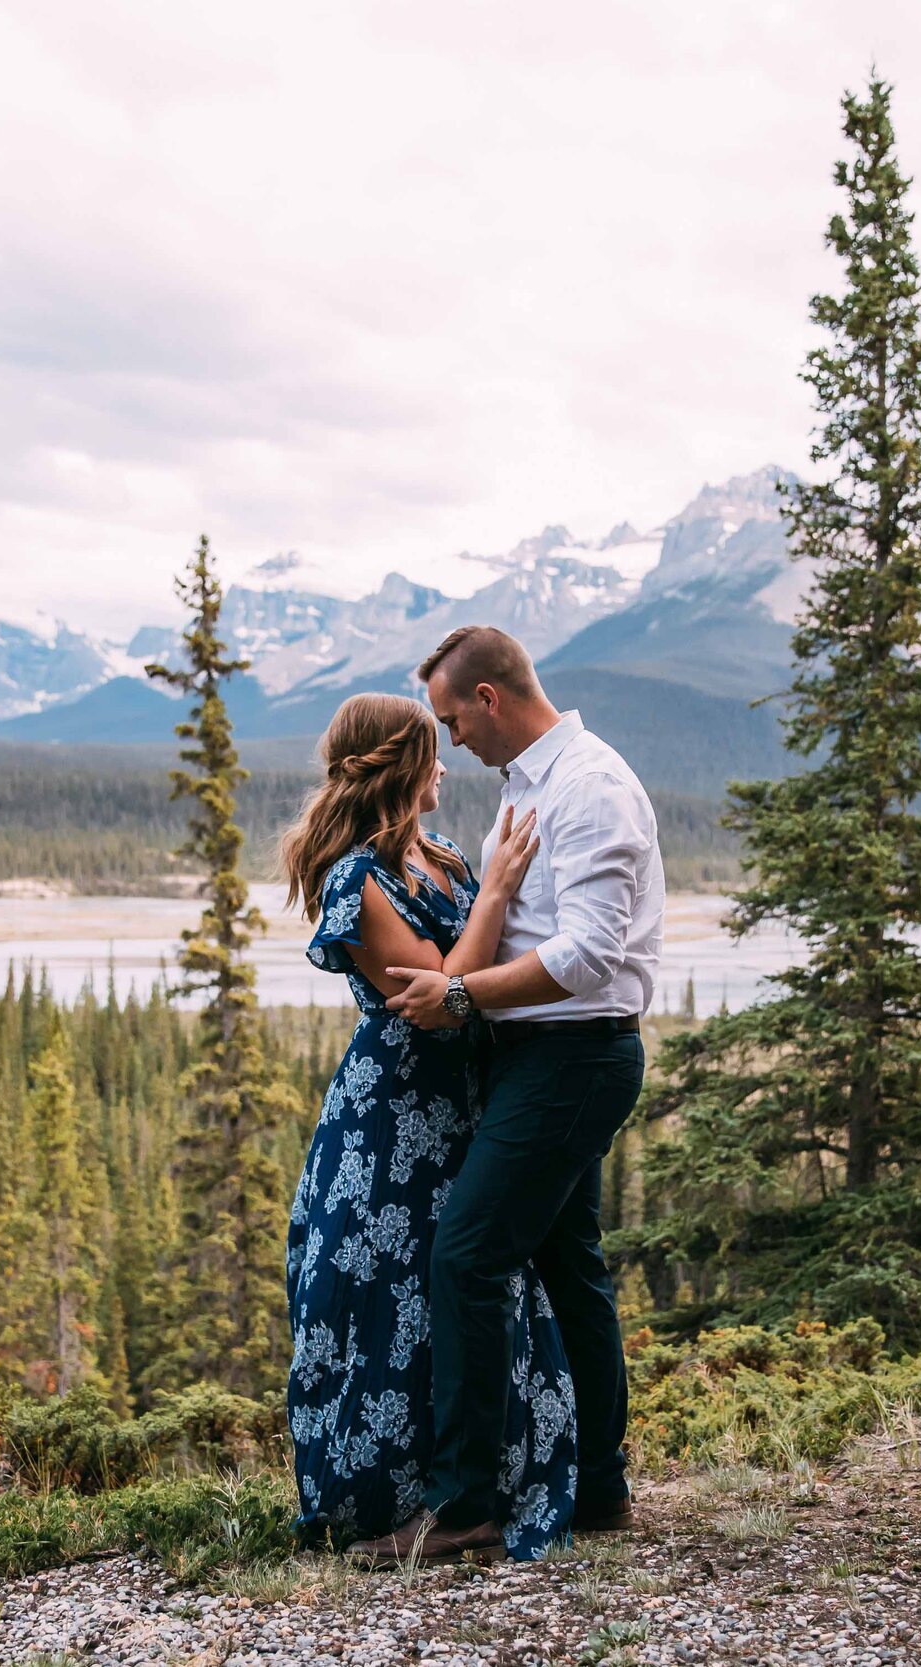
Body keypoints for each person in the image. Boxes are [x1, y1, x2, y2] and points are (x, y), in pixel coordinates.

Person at [351, 625, 665, 1565]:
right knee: (571, 1269)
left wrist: (459, 992)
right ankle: (600, 1491)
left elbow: (590, 954)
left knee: (468, 1255)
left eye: (453, 720)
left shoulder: (592, 788)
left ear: (488, 698)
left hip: (575, 1058)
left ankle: (465, 1507)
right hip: (537, 1059)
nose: (450, 743)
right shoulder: (528, 788)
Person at [279, 690, 578, 1560]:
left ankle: (478, 1485)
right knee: (386, 1299)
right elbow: (436, 998)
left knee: (463, 1287)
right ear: (399, 766)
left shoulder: (442, 855)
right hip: (393, 1122)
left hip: (467, 1111)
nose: (445, 762)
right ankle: (398, 1498)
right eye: (429, 749)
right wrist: (500, 892)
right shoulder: (356, 881)